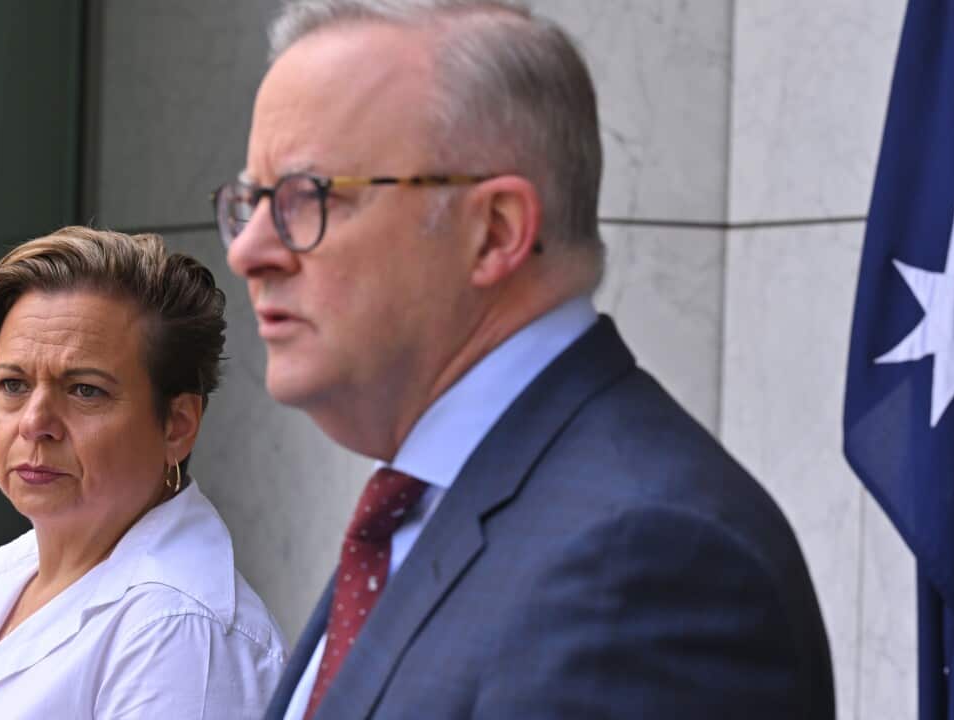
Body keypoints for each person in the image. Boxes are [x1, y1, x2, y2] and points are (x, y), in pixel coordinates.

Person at [213, 1, 834, 718]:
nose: (247, 251)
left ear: (496, 231)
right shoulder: (425, 503)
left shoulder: (644, 560)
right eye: (252, 202)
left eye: (306, 197)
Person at [0, 227, 285, 719]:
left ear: (177, 426)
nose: (35, 424)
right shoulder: (13, 571)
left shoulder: (181, 633)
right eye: (13, 384)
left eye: (85, 390)